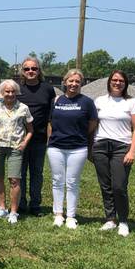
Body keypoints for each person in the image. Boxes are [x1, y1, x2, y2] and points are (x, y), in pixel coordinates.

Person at [92, 70, 135, 237]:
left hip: (122, 147)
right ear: (109, 82)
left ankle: (123, 221)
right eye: (114, 80)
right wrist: (89, 145)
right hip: (100, 146)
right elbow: (92, 124)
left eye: (121, 80)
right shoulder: (99, 101)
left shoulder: (131, 102)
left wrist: (132, 151)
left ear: (125, 83)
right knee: (105, 185)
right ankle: (110, 219)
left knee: (119, 186)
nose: (117, 83)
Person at [47, 69, 98, 230]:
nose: (74, 84)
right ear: (65, 82)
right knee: (57, 181)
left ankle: (70, 216)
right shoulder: (56, 100)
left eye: (77, 81)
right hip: (56, 148)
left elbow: (92, 124)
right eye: (71, 81)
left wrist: (79, 135)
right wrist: (51, 140)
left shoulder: (87, 102)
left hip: (78, 148)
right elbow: (50, 122)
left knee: (72, 182)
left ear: (81, 84)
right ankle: (58, 214)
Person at [0, 80, 33, 224]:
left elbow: (30, 129)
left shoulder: (23, 108)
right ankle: (2, 208)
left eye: (13, 91)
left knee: (14, 179)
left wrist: (24, 143)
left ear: (16, 92)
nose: (10, 94)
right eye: (7, 91)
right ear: (2, 93)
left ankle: (13, 212)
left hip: (15, 147)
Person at [17, 56, 56, 216]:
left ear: (39, 71)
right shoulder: (17, 88)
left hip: (39, 140)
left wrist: (50, 139)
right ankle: (20, 204)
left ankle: (35, 205)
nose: (31, 71)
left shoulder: (47, 89)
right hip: (18, 139)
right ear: (22, 71)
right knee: (19, 173)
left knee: (36, 173)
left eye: (34, 68)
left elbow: (50, 117)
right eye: (27, 69)